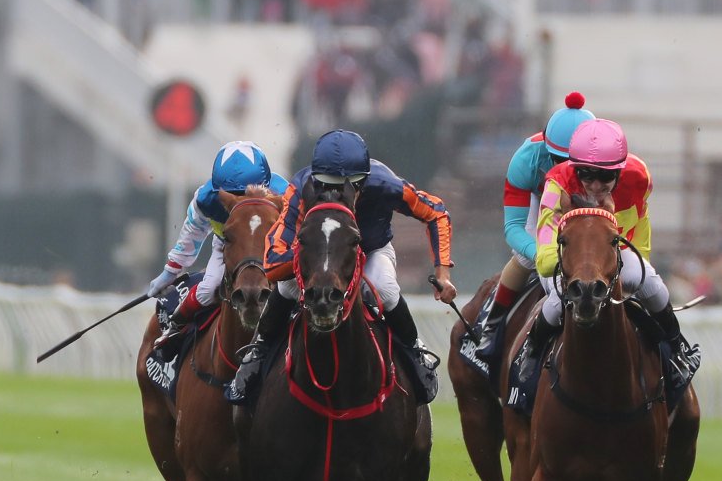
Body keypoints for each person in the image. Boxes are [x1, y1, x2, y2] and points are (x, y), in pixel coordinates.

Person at [227, 128, 454, 406]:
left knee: (384, 288)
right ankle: (259, 350)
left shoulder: (385, 183)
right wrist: (311, 257)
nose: (335, 193)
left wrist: (443, 273)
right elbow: (273, 261)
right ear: (315, 179)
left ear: (364, 181)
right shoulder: (301, 187)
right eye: (326, 185)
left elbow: (436, 212)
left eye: (347, 186)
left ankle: (413, 348)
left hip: (370, 250)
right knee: (286, 287)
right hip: (317, 255)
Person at [510, 117, 698, 403]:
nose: (596, 186)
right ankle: (531, 355)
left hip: (608, 249)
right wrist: (568, 269)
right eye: (586, 176)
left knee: (652, 284)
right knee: (557, 300)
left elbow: (640, 228)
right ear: (574, 168)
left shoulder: (639, 176)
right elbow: (546, 254)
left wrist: (639, 264)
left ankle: (676, 349)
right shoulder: (557, 182)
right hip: (565, 253)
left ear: (620, 172)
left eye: (605, 177)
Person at [458, 91, 595, 377]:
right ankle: (491, 326)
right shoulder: (525, 160)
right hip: (541, 200)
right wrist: (541, 253)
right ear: (546, 147)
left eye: (573, 164)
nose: (565, 171)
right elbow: (514, 228)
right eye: (558, 160)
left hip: (587, 204)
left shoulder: (604, 159)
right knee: (524, 257)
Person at [144, 140, 291, 384]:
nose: (238, 201)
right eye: (232, 195)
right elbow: (192, 234)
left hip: (271, 248)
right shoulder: (206, 199)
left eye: (244, 194)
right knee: (207, 289)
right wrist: (170, 272)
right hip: (228, 244)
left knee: (291, 292)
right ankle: (175, 329)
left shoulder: (284, 195)